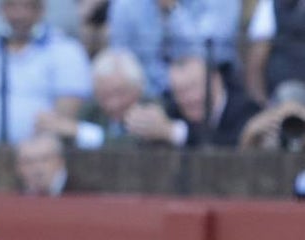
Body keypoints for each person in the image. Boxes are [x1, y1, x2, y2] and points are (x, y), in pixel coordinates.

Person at [0, 0, 92, 145]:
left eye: (27, 6)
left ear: (41, 10)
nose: (19, 15)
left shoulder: (66, 50)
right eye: (12, 6)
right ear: (2, 9)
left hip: (44, 152)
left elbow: (65, 116)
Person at [106, 0, 241, 100]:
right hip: (147, 93)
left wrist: (172, 9)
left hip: (209, 87)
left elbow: (209, 52)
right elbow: (120, 59)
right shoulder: (125, 5)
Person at [125, 52, 261, 147]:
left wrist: (172, 132)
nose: (188, 98)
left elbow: (229, 147)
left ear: (216, 80)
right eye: (180, 92)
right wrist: (144, 124)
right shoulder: (173, 111)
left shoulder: (246, 109)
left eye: (193, 87)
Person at [34, 46, 151, 148]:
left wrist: (81, 133)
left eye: (120, 93)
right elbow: (67, 136)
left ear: (138, 88)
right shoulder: (91, 110)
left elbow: (133, 144)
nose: (113, 104)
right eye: (104, 96)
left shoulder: (150, 107)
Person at [244, 0, 305, 105]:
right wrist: (260, 104)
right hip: (288, 91)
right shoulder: (272, 4)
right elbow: (256, 58)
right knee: (289, 94)